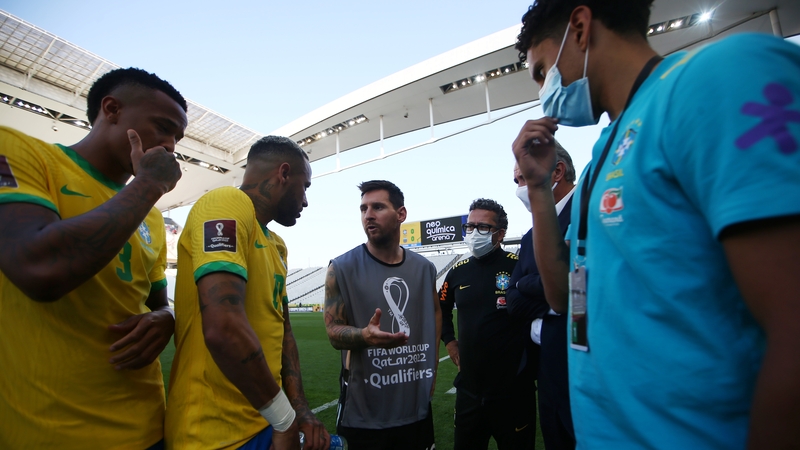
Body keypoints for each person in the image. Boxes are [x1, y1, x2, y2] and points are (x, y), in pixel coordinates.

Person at [512, 0, 800, 448]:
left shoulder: (718, 77)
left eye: (542, 71)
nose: (543, 91)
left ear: (581, 29)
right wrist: (537, 186)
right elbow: (563, 296)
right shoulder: (598, 161)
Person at [0, 67, 186, 449]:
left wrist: (167, 319)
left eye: (177, 137)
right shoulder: (22, 152)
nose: (170, 145)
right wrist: (149, 184)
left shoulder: (148, 215)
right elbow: (38, 269)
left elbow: (157, 305)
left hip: (148, 426)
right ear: (112, 109)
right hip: (53, 433)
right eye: (163, 127)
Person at [165, 136, 329, 450]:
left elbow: (284, 332)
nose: (306, 200)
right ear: (283, 173)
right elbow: (223, 328)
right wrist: (285, 417)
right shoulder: (226, 202)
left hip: (264, 424)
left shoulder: (277, 245)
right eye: (305, 186)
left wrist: (300, 407)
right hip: (214, 435)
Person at [324, 180, 441, 450]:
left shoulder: (424, 268)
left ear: (401, 214)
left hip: (415, 405)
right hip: (365, 413)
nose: (368, 215)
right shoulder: (341, 267)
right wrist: (365, 335)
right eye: (363, 208)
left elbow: (435, 312)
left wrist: (432, 365)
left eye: (378, 207)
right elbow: (333, 331)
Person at [439, 198, 535, 450]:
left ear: (500, 234)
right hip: (469, 390)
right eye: (469, 227)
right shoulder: (457, 271)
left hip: (513, 391)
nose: (473, 233)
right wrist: (449, 341)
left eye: (483, 227)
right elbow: (442, 308)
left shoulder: (518, 267)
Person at [507, 149, 576, 450]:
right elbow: (513, 298)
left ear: (557, 172)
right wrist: (554, 301)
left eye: (525, 177)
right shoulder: (529, 236)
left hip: (585, 364)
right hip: (545, 369)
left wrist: (530, 285)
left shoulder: (590, 211)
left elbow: (582, 285)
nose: (519, 187)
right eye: (516, 180)